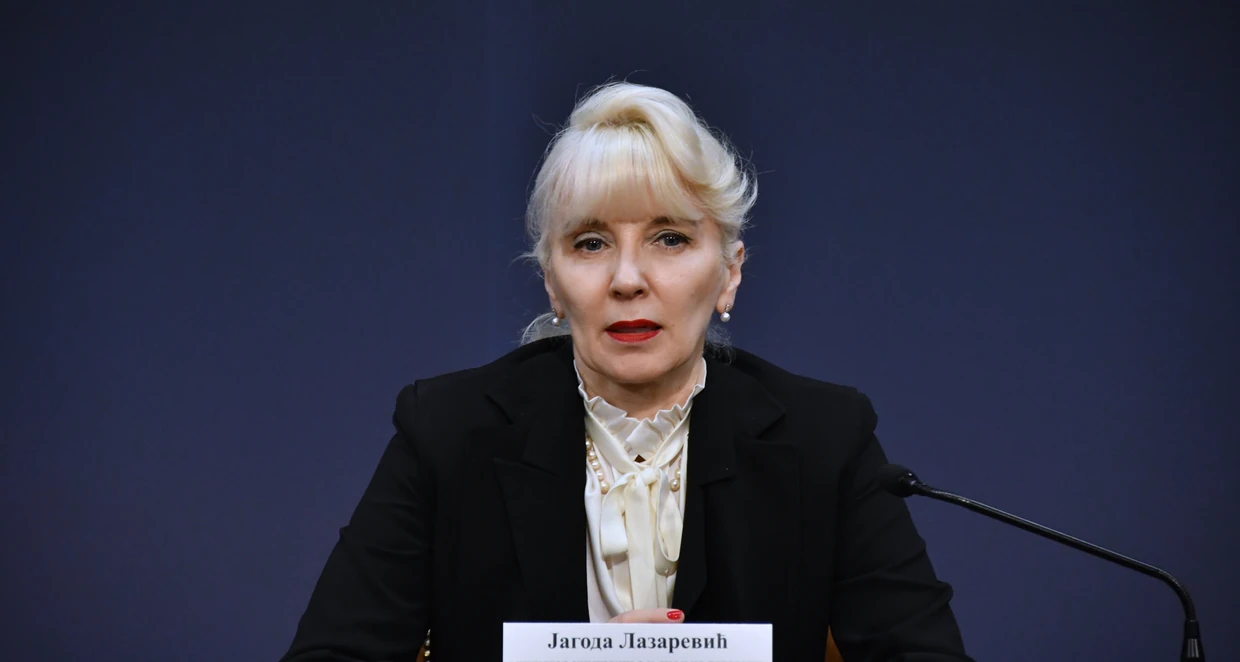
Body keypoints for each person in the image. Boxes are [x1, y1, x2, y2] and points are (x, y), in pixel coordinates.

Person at [280, 83, 972, 661]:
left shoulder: (825, 439)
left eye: (670, 238)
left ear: (729, 273)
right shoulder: (447, 434)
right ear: (552, 282)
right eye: (591, 243)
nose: (628, 279)